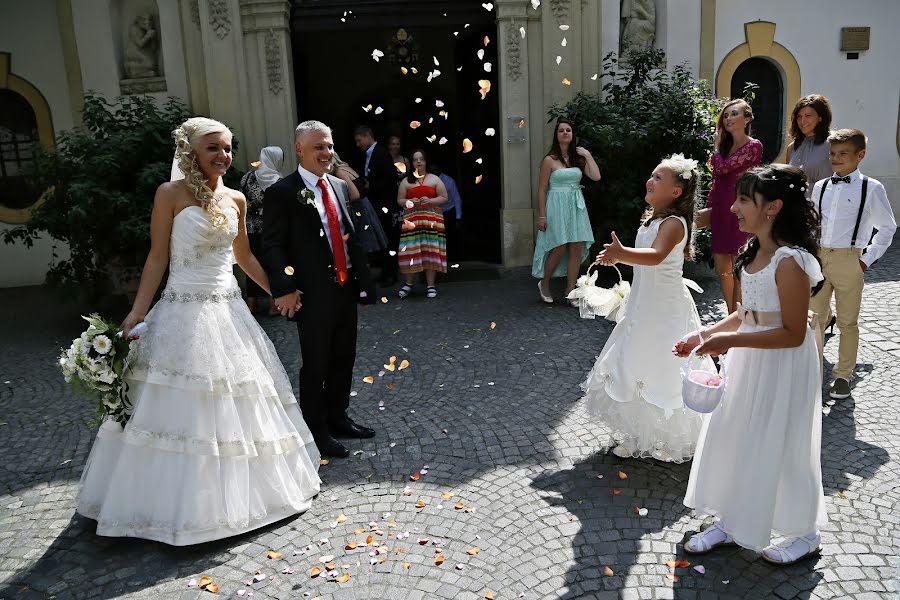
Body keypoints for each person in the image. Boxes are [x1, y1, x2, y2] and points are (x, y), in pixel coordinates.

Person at [76, 117, 321, 545]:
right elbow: (157, 258)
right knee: (179, 406)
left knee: (235, 402)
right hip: (182, 311)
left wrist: (281, 292)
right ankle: (167, 506)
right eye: (213, 148)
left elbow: (243, 257)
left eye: (227, 148)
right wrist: (138, 311)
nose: (223, 156)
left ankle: (237, 501)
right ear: (190, 151)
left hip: (228, 311)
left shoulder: (237, 199)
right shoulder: (169, 194)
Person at [675, 164, 826, 565]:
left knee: (782, 440)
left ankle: (804, 531)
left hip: (783, 364)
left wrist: (729, 341)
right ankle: (732, 518)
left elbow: (793, 332)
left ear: (773, 207)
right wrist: (706, 335)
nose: (734, 207)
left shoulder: (791, 261)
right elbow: (747, 313)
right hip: (750, 358)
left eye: (744, 199)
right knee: (737, 432)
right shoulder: (753, 253)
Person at [583, 154, 710, 462]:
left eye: (657, 178)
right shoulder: (652, 219)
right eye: (651, 175)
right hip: (643, 304)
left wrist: (622, 252)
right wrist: (617, 257)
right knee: (634, 361)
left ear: (676, 192)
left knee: (665, 366)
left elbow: (655, 256)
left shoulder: (674, 223)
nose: (649, 181)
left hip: (665, 310)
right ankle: (636, 434)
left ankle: (672, 439)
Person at [263, 120, 377, 458]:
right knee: (316, 364)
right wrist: (284, 287)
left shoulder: (339, 187)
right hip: (311, 293)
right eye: (319, 147)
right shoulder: (282, 192)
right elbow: (272, 245)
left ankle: (338, 415)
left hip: (344, 286)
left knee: (344, 356)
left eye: (329, 146)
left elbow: (350, 237)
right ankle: (316, 428)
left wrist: (365, 284)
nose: (326, 152)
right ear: (300, 150)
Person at [809, 129, 896, 400]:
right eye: (833, 154)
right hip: (819, 258)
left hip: (850, 259)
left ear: (861, 155)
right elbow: (812, 223)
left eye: (842, 154)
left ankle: (843, 374)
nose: (836, 159)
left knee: (848, 321)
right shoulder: (821, 186)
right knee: (814, 318)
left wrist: (865, 260)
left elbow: (887, 227)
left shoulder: (872, 188)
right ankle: (811, 369)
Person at [698, 99, 762, 315]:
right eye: (725, 115)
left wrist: (716, 148)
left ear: (747, 119)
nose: (728, 119)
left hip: (741, 210)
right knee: (722, 269)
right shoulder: (723, 149)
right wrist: (709, 209)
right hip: (720, 210)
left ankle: (740, 318)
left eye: (733, 114)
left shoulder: (754, 146)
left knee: (738, 268)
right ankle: (730, 315)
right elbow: (717, 181)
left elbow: (724, 169)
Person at [532, 118, 602, 303]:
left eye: (568, 130)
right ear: (556, 135)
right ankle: (545, 283)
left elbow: (596, 176)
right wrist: (541, 215)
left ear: (572, 135)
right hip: (556, 204)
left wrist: (587, 155)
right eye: (561, 130)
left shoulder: (578, 158)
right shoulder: (549, 160)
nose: (565, 133)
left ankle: (570, 291)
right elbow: (541, 189)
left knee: (576, 246)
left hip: (576, 204)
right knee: (560, 246)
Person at [396, 149, 449, 298]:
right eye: (415, 159)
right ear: (412, 163)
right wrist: (408, 202)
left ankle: (431, 285)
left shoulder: (434, 179)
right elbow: (399, 201)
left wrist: (431, 201)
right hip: (412, 221)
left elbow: (444, 197)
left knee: (430, 251)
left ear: (426, 161)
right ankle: (408, 283)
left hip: (432, 220)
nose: (418, 162)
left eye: (422, 159)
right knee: (410, 251)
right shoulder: (406, 181)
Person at [240, 146, 284, 314]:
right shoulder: (277, 181)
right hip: (270, 230)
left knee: (252, 263)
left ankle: (252, 304)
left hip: (250, 229)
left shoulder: (247, 177)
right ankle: (274, 305)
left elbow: (241, 200)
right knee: (272, 264)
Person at [355, 126, 401, 286]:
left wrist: (370, 186)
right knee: (380, 238)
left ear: (368, 136)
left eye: (359, 140)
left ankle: (391, 273)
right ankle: (385, 271)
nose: (357, 144)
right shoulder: (367, 155)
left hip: (384, 203)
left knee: (387, 237)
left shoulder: (381, 153)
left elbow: (390, 177)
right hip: (374, 204)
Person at [330, 151, 388, 254]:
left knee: (363, 244)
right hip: (364, 205)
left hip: (359, 208)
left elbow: (355, 194)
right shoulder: (345, 168)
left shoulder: (339, 172)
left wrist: (339, 203)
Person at [786, 94, 833, 198]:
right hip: (799, 207)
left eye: (808, 116)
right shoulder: (792, 147)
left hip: (825, 206)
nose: (802, 121)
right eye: (799, 116)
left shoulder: (834, 143)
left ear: (820, 117)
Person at [430, 163, 463, 260]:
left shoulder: (449, 181)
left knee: (449, 237)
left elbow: (456, 199)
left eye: (436, 169)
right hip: (433, 213)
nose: (434, 172)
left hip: (448, 212)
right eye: (432, 170)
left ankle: (451, 259)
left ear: (440, 169)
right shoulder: (427, 180)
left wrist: (458, 217)